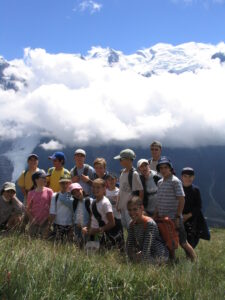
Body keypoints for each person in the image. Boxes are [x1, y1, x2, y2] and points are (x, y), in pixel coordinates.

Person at [155, 157, 197, 260]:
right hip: (162, 218)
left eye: (165, 167)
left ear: (170, 168)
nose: (163, 170)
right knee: (168, 241)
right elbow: (159, 200)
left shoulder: (175, 181)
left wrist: (178, 216)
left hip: (174, 218)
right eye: (161, 168)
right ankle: (172, 262)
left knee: (183, 242)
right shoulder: (160, 182)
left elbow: (181, 199)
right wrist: (156, 214)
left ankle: (195, 260)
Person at [127, 196, 169, 263]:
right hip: (144, 254)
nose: (132, 213)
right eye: (129, 210)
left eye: (135, 209)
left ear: (141, 208)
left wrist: (136, 259)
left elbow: (147, 247)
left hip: (160, 255)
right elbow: (129, 245)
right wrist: (130, 257)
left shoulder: (150, 223)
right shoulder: (131, 224)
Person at [89, 178, 124, 250]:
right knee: (91, 256)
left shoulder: (105, 203)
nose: (95, 189)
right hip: (93, 234)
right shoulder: (93, 202)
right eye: (94, 187)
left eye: (98, 187)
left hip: (103, 234)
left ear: (104, 189)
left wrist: (98, 230)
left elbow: (112, 223)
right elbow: (92, 218)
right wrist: (88, 228)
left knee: (100, 255)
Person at [114, 149, 143, 229]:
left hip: (130, 208)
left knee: (132, 228)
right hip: (122, 207)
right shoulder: (122, 172)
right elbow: (120, 190)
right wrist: (118, 204)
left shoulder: (134, 174)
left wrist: (138, 207)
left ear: (129, 159)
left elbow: (141, 191)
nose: (120, 161)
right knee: (126, 228)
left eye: (121, 159)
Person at [181, 167, 210, 248]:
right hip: (180, 216)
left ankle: (190, 258)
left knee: (192, 238)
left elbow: (199, 206)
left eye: (190, 176)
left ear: (193, 177)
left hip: (193, 218)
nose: (187, 178)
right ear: (181, 177)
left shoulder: (196, 190)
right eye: (185, 176)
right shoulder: (178, 188)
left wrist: (188, 216)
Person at [59, 182, 93, 247]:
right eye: (74, 193)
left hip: (87, 228)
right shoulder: (73, 202)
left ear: (82, 189)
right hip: (77, 228)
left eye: (77, 190)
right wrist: (68, 190)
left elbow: (93, 216)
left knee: (87, 248)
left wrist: (87, 227)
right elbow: (62, 198)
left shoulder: (89, 201)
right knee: (78, 247)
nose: (76, 194)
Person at [47, 174, 74, 242]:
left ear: (70, 183)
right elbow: (52, 212)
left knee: (68, 246)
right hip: (57, 224)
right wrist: (49, 226)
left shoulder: (74, 196)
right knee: (58, 246)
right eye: (62, 183)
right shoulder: (55, 196)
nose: (64, 185)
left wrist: (74, 227)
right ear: (59, 183)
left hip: (70, 225)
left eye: (67, 183)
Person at [27, 170, 53, 237]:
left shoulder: (49, 191)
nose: (45, 179)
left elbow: (52, 207)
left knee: (44, 240)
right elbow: (28, 209)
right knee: (32, 240)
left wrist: (45, 220)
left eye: (45, 178)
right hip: (34, 222)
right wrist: (32, 220)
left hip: (46, 222)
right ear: (36, 180)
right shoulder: (30, 193)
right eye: (43, 178)